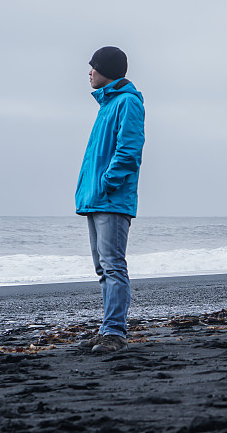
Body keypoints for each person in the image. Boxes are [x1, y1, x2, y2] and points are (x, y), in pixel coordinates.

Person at [75, 46, 145, 353]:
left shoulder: (128, 103)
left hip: (112, 199)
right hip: (97, 199)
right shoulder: (106, 106)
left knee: (114, 266)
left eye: (93, 66)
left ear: (107, 70)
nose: (89, 72)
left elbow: (128, 152)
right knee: (104, 268)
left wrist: (107, 184)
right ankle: (107, 328)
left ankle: (115, 332)